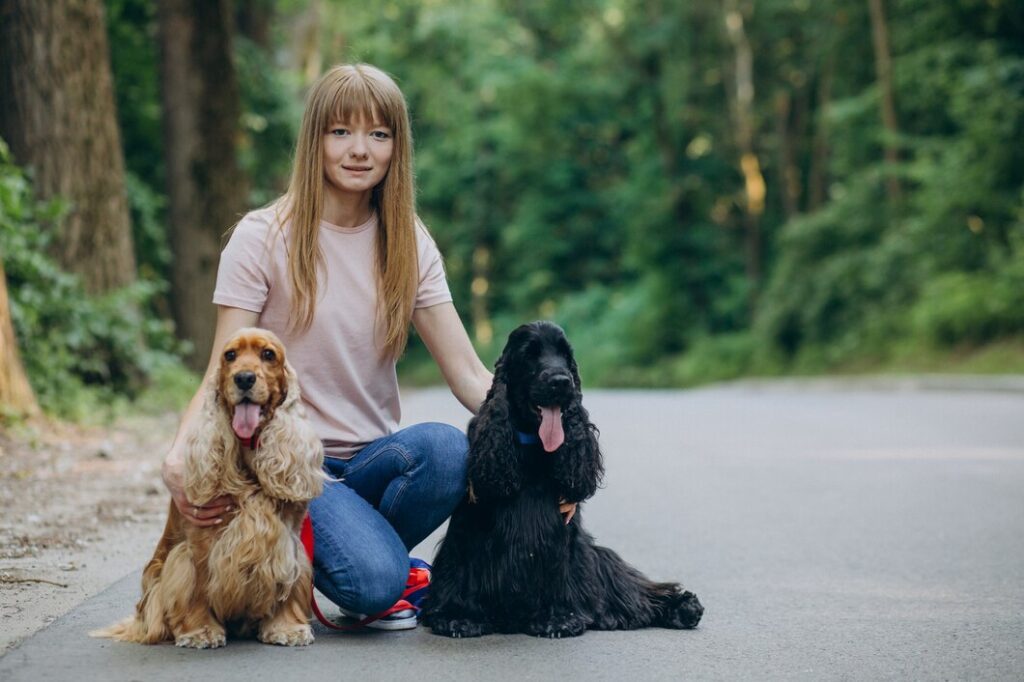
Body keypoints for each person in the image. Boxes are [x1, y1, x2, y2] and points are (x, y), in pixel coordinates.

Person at [161, 63, 575, 630]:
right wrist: (179, 455)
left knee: (447, 449)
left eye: (378, 134)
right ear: (315, 140)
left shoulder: (409, 239)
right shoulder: (261, 237)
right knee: (376, 584)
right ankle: (355, 566)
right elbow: (221, 367)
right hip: (291, 467)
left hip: (376, 463)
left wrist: (548, 461)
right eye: (341, 132)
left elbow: (469, 375)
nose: (360, 150)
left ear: (395, 147)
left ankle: (347, 555)